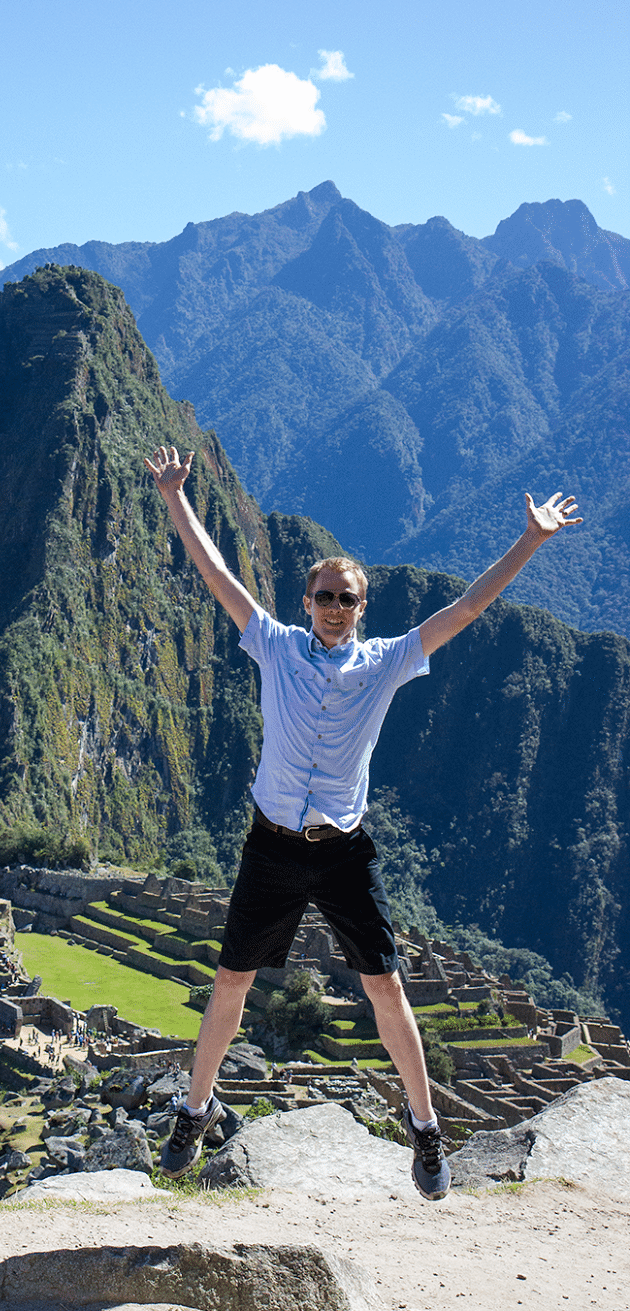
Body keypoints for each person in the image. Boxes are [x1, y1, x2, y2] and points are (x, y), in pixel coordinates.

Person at [144, 444, 582, 1199]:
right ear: (304, 601)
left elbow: (468, 608)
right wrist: (175, 497)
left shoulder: (386, 661)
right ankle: (195, 1108)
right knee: (231, 981)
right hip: (271, 846)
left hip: (342, 852)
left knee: (384, 989)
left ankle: (424, 1129)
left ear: (362, 608)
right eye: (323, 597)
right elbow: (217, 575)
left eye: (347, 599)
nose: (334, 609)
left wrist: (530, 541)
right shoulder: (273, 646)